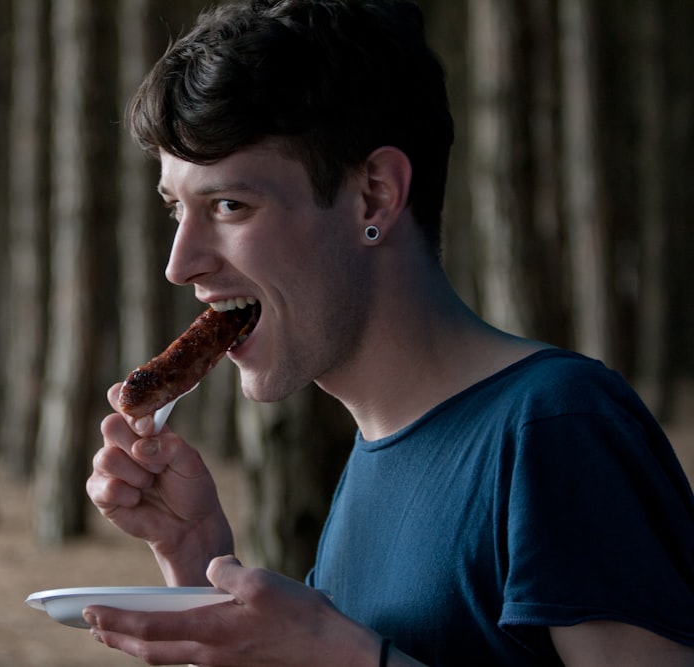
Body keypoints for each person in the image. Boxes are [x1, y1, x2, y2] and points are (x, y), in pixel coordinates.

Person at [85, 0, 694, 665]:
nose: (180, 263)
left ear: (374, 195)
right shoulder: (376, 459)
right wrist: (198, 558)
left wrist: (347, 656)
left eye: (229, 204)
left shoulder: (557, 427)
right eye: (177, 208)